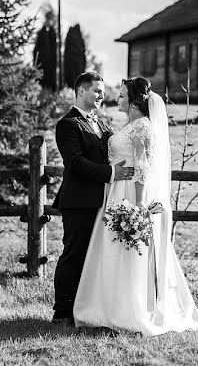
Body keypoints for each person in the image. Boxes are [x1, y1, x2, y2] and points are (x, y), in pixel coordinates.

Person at [74, 77, 198, 336]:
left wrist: (137, 207)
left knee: (127, 252)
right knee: (112, 250)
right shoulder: (129, 125)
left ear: (136, 101)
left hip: (129, 195)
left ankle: (130, 309)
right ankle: (106, 306)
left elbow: (142, 170)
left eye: (123, 95)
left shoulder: (143, 128)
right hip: (113, 193)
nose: (118, 99)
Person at [52, 71, 134, 327]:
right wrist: (111, 173)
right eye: (97, 91)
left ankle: (86, 308)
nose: (101, 95)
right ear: (81, 92)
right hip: (79, 201)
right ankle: (61, 312)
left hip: (104, 202)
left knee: (94, 257)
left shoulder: (101, 123)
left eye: (102, 91)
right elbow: (75, 163)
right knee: (74, 255)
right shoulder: (68, 124)